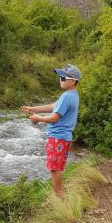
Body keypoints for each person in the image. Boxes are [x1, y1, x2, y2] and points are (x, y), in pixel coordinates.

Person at [21, 64, 81, 196]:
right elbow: (53, 106)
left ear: (73, 81)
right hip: (63, 138)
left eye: (63, 77)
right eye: (60, 77)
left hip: (57, 138)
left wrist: (38, 118)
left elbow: (54, 118)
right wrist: (33, 109)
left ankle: (60, 199)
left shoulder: (66, 97)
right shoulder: (72, 95)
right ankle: (61, 197)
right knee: (56, 169)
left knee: (54, 170)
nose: (60, 79)